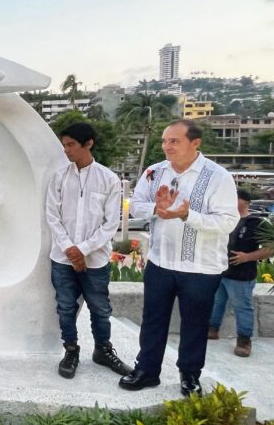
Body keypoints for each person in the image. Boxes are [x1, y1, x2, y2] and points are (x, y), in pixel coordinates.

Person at [119, 119, 238, 396]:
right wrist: (155, 208)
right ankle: (147, 371)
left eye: (174, 141)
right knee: (152, 320)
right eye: (164, 141)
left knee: (195, 324)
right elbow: (136, 206)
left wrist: (187, 215)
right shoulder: (154, 172)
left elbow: (228, 222)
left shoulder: (217, 176)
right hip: (161, 262)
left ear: (195, 143)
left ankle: (189, 375)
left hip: (201, 267)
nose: (166, 146)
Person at [45, 122, 132, 379]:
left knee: (100, 309)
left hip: (95, 260)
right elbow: (52, 216)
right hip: (62, 258)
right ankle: (71, 350)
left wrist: (82, 250)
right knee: (65, 307)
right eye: (64, 145)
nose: (66, 150)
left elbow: (110, 224)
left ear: (88, 143)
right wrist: (69, 249)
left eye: (70, 144)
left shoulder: (108, 179)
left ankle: (103, 350)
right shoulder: (59, 177)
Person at [208, 189, 271, 357]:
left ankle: (244, 340)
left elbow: (271, 248)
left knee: (242, 307)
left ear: (244, 202)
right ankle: (212, 329)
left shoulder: (257, 222)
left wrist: (247, 257)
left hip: (241, 276)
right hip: (219, 270)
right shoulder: (224, 220)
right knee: (217, 302)